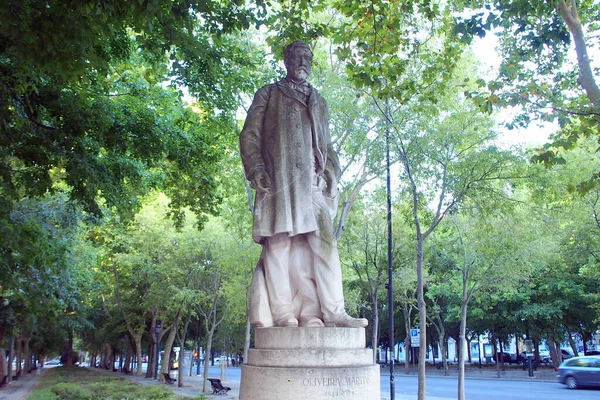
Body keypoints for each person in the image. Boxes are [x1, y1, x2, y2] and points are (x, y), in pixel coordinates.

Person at [239, 40, 367, 329]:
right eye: (297, 56)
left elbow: (326, 144)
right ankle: (284, 312)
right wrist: (256, 167)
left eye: (307, 57)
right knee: (280, 244)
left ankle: (332, 312)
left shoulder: (318, 100)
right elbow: (249, 135)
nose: (302, 61)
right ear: (286, 61)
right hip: (279, 180)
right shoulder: (269, 94)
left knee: (324, 244)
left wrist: (332, 171)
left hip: (312, 183)